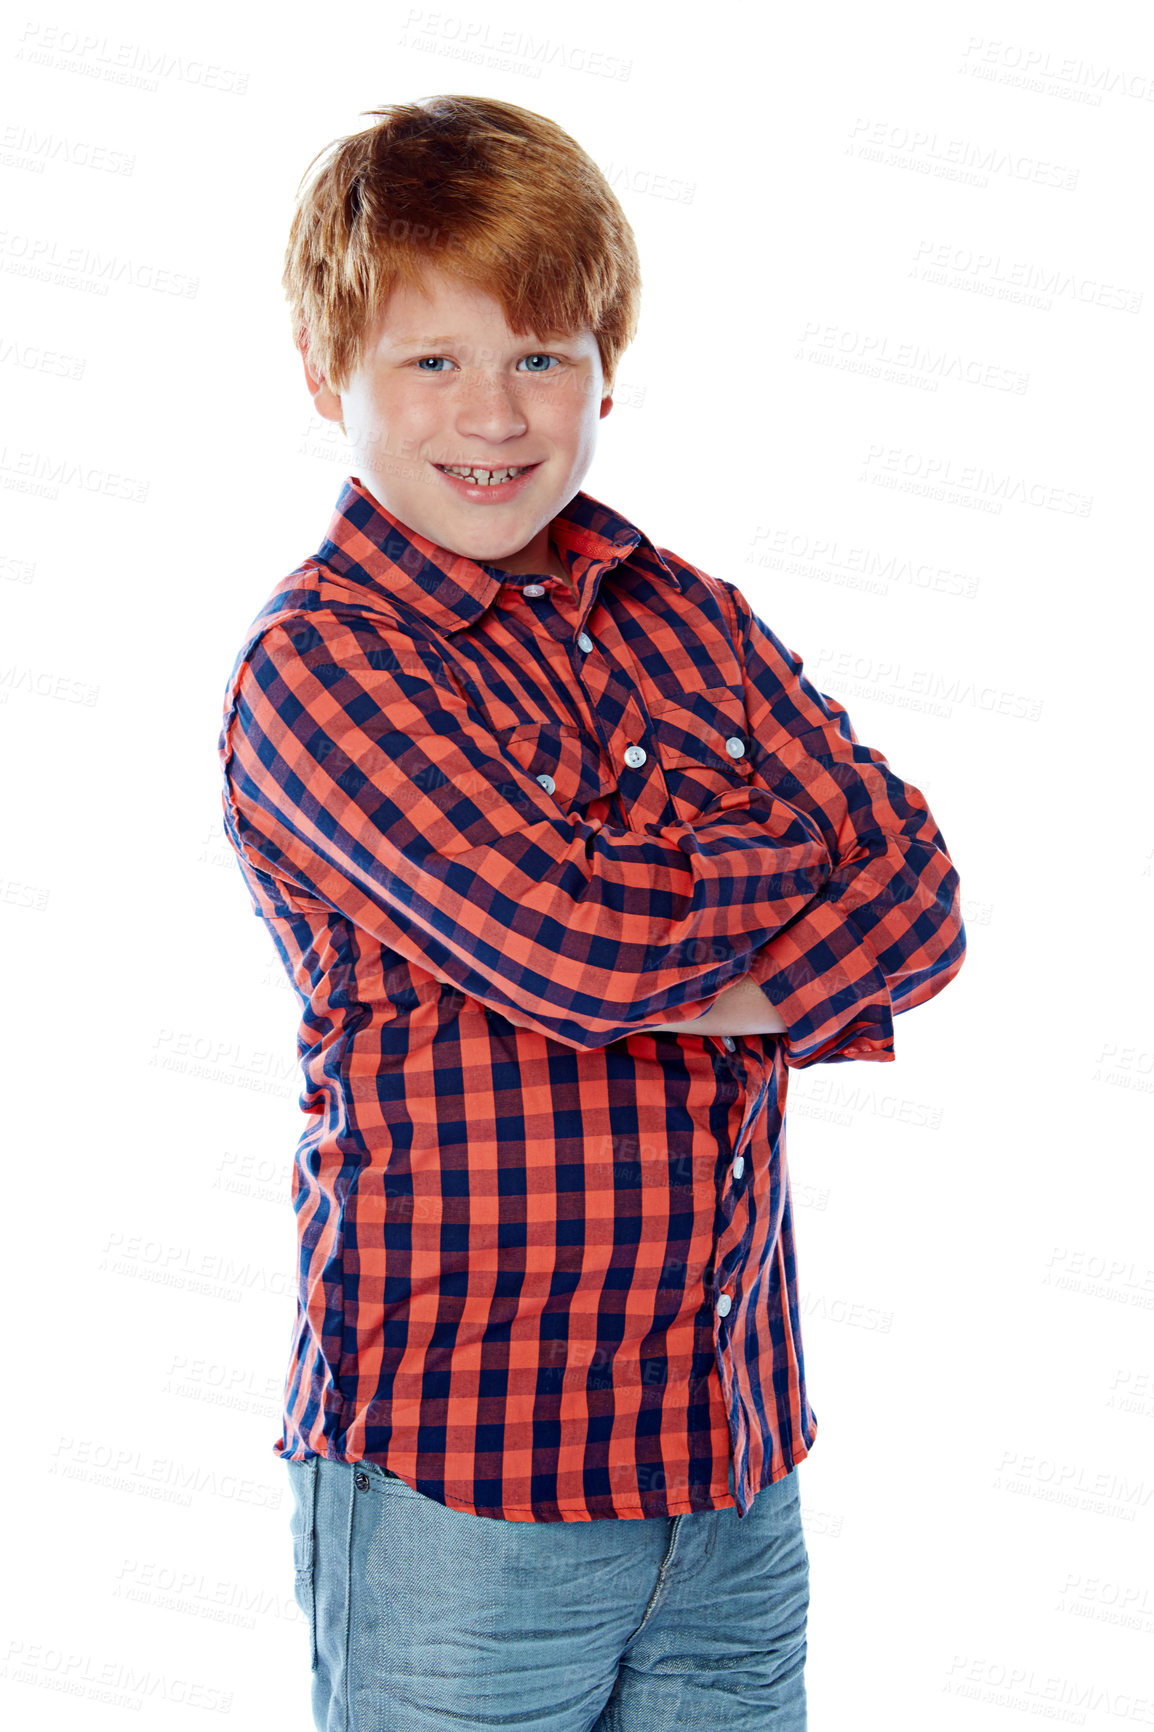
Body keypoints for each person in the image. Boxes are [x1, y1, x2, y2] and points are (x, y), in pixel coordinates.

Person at [217, 93, 966, 1732]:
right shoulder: (322, 667)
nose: (493, 413)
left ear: (604, 369)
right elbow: (583, 947)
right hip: (463, 1487)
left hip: (729, 1470)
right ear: (321, 372)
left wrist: (643, 938)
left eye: (541, 357)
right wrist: (753, 882)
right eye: (431, 362)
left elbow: (917, 886)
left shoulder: (689, 617)